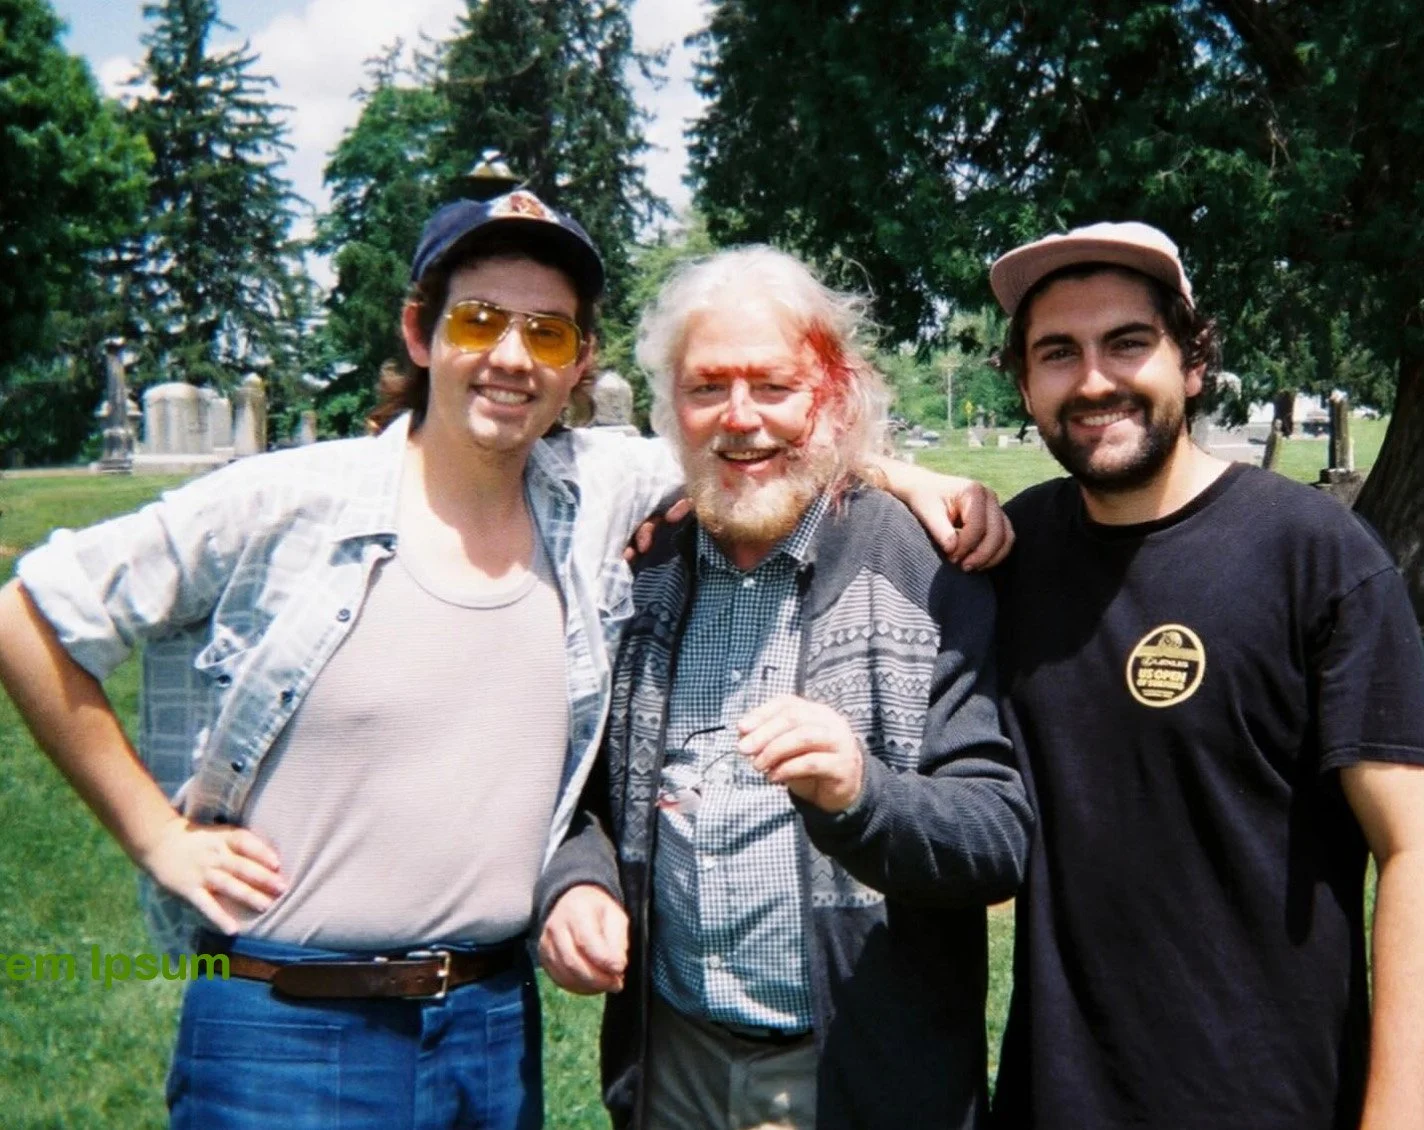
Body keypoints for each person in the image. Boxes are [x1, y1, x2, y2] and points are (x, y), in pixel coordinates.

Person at [0, 191, 1011, 1129]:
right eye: (479, 319)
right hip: (284, 1017)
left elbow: (753, 442)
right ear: (418, 330)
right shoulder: (284, 501)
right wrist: (155, 836)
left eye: (548, 331)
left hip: (487, 1019)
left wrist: (900, 472)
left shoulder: (592, 498)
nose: (511, 356)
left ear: (579, 364)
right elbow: (29, 613)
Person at [536, 246, 1033, 1130]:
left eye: (774, 387)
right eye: (706, 388)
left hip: (858, 1069)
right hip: (672, 1064)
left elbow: (997, 836)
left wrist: (861, 794)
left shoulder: (927, 567)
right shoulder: (641, 572)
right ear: (670, 411)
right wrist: (576, 879)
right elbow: (583, 789)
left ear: (832, 399)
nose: (739, 419)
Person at [985, 221, 1424, 1130]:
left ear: (1191, 362)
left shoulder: (1316, 557)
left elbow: (1414, 848)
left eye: (1129, 342)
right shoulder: (1012, 554)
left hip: (1272, 1099)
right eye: (1058, 352)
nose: (1096, 379)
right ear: (1026, 384)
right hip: (1053, 1100)